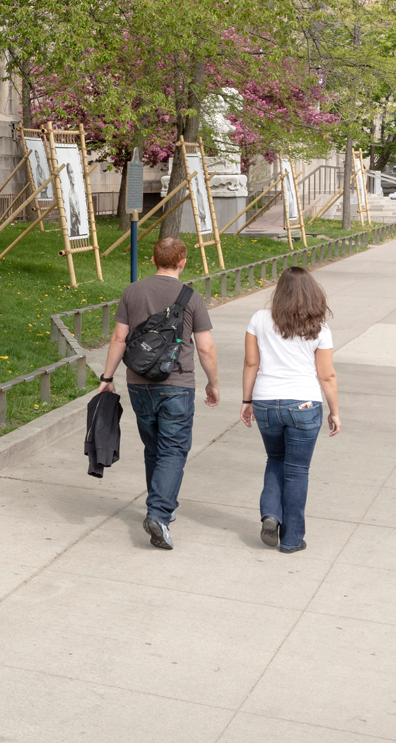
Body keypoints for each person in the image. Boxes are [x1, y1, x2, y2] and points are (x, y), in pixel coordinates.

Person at [98, 237, 220, 550]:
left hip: (139, 383)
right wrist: (213, 382)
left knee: (154, 447)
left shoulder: (132, 291)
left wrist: (107, 377)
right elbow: (205, 346)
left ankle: (161, 504)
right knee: (173, 450)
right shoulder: (191, 297)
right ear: (183, 262)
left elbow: (119, 338)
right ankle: (160, 513)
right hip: (177, 384)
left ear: (153, 260)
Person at [240, 266, 340, 553]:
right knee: (297, 471)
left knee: (275, 459)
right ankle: (292, 539)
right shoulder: (320, 329)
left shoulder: (259, 319)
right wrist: (334, 411)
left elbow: (251, 363)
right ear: (312, 293)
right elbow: (327, 375)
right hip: (304, 404)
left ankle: (271, 515)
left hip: (266, 402)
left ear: (279, 291)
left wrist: (247, 401)